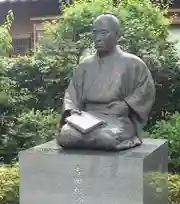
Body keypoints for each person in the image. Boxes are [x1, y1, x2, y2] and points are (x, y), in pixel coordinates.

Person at [56, 13, 155, 150]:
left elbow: (145, 91)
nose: (98, 39)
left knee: (106, 138)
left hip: (116, 117)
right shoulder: (85, 65)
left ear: (116, 35)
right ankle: (92, 138)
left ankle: (128, 139)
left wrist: (126, 105)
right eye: (95, 33)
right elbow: (72, 93)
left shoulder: (133, 63)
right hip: (86, 118)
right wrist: (73, 111)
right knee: (65, 136)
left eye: (104, 33)